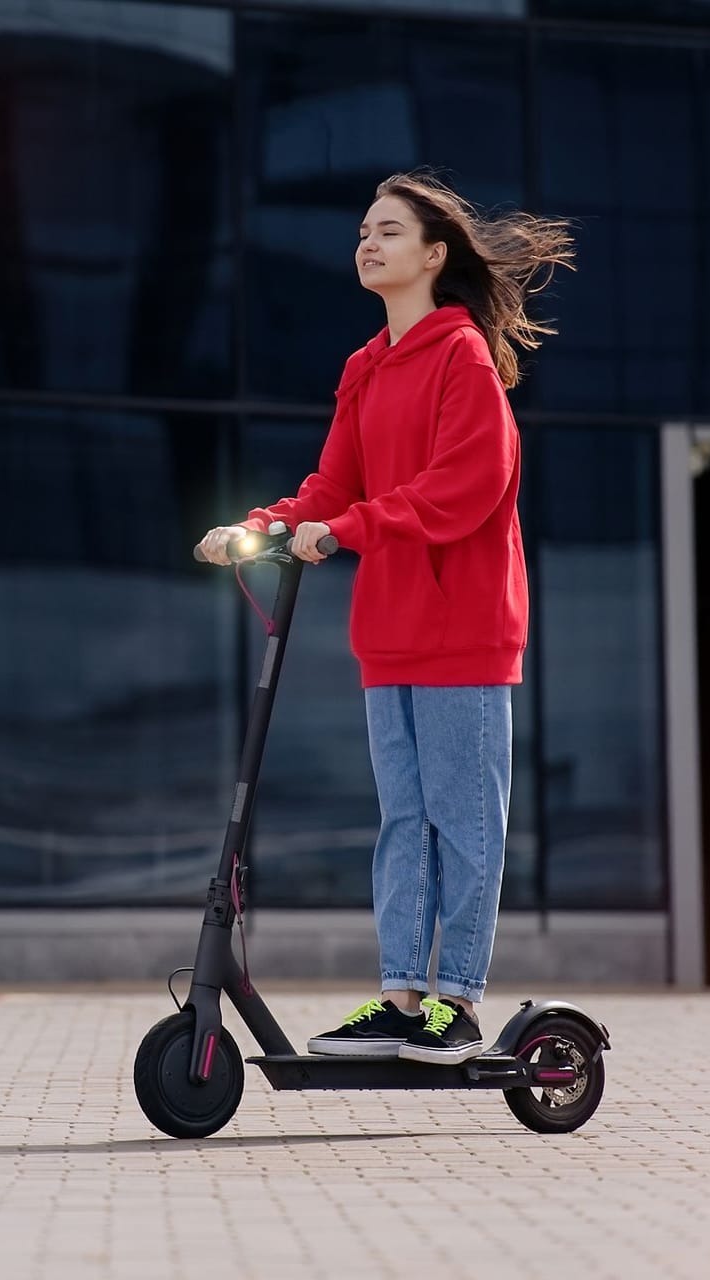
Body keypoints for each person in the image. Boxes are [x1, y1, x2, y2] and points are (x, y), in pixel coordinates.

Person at [196, 171, 574, 1066]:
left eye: (389, 231)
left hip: (466, 629)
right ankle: (402, 997)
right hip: (391, 632)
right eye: (363, 231)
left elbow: (464, 489)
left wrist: (349, 528)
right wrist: (262, 527)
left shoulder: (462, 356)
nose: (367, 243)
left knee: (463, 820)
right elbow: (334, 486)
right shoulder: (366, 367)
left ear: (435, 256)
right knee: (405, 820)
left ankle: (459, 1003)